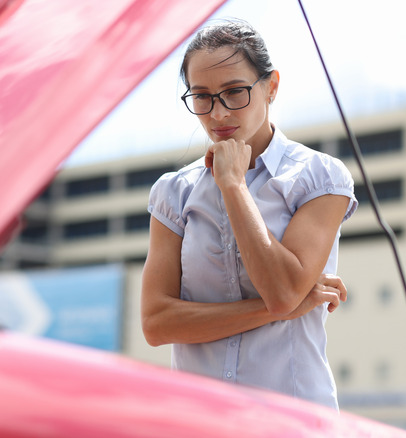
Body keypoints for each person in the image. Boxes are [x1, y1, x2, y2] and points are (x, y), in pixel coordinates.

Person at [140, 20, 357, 409]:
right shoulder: (174, 192)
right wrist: (281, 308)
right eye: (202, 97)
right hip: (200, 421)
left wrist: (233, 186)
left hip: (291, 418)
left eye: (234, 92)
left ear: (271, 86)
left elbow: (282, 291)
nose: (218, 113)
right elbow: (157, 323)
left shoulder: (318, 177)